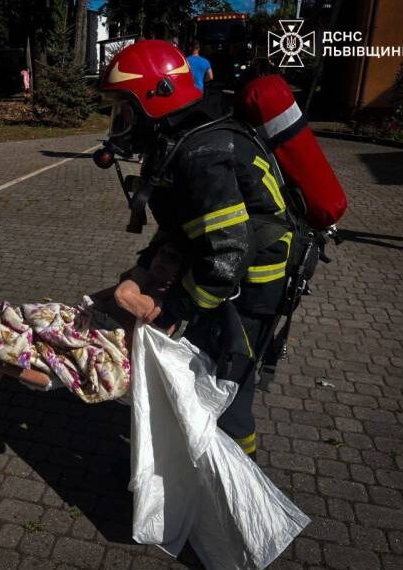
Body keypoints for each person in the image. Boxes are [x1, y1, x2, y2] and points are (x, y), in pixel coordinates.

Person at [101, 39, 294, 462]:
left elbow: (226, 254)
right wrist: (145, 268)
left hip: (249, 292)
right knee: (204, 379)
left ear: (158, 98)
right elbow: (184, 229)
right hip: (230, 285)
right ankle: (196, 474)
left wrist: (174, 310)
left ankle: (233, 498)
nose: (120, 122)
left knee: (227, 397)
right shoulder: (187, 140)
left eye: (125, 108)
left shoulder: (202, 156)